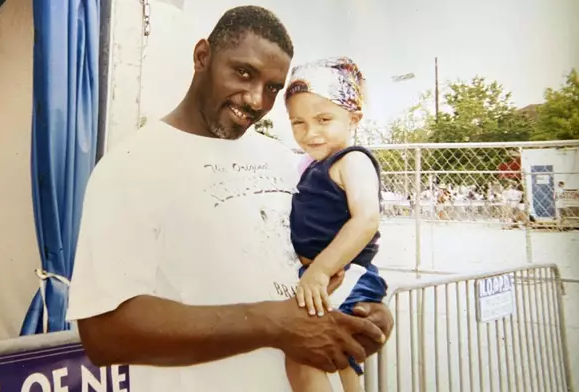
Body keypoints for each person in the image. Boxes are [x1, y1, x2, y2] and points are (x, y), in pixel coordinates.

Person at [67, 6, 393, 392]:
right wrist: (276, 325)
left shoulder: (281, 159)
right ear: (202, 56)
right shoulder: (130, 167)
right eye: (243, 73)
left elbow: (305, 261)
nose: (256, 99)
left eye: (273, 87)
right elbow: (105, 333)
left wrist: (365, 315)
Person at [283, 58, 387, 392]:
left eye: (323, 119)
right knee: (339, 363)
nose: (310, 132)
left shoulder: (353, 160)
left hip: (345, 273)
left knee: (305, 354)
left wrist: (321, 270)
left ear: (353, 118)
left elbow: (367, 219)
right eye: (298, 122)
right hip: (324, 275)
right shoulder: (311, 165)